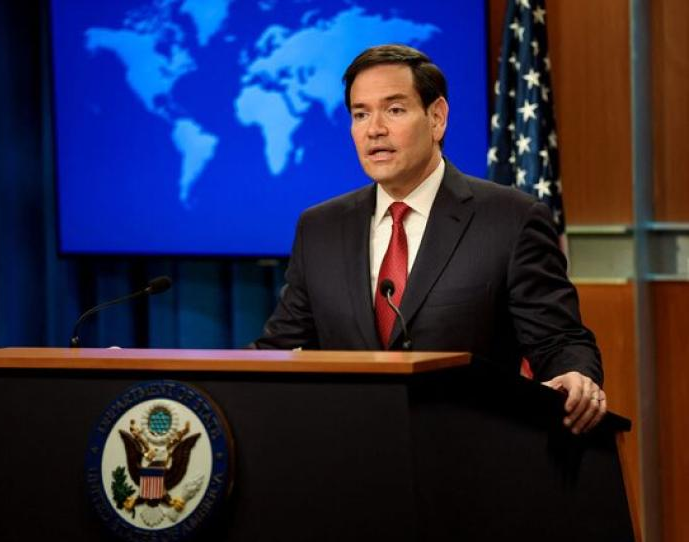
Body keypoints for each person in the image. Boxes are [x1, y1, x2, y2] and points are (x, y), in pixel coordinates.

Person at [251, 44, 606, 434]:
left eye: (394, 110)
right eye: (360, 114)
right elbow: (278, 348)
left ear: (437, 118)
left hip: (470, 448)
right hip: (351, 449)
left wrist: (575, 376)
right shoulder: (320, 228)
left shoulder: (511, 219)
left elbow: (559, 340)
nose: (374, 129)